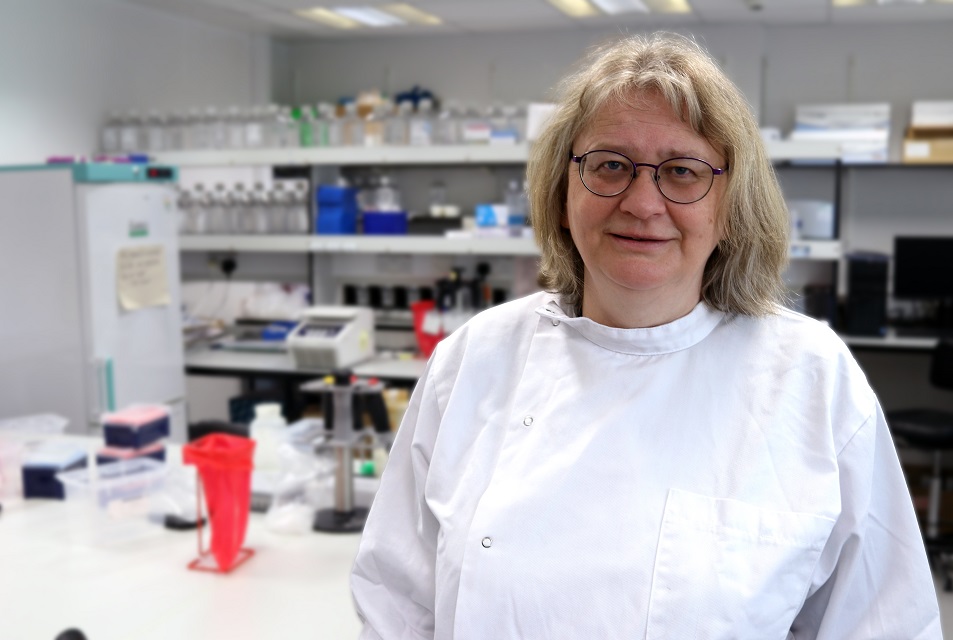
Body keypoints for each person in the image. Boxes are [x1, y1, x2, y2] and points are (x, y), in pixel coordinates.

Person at [351, 32, 941, 639]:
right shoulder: (475, 359)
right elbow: (396, 604)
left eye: (682, 172)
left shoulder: (811, 379)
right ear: (562, 195)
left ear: (730, 210)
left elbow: (884, 623)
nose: (641, 202)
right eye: (610, 165)